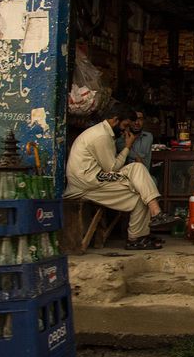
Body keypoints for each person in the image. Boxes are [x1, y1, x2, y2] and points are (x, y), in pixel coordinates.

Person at [63, 104, 179, 250]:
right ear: (115, 120)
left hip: (96, 178)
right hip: (87, 184)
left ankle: (154, 215)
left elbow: (111, 168)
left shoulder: (104, 132)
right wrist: (127, 146)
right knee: (139, 194)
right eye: (125, 125)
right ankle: (138, 236)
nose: (125, 129)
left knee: (137, 169)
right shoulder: (101, 136)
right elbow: (112, 168)